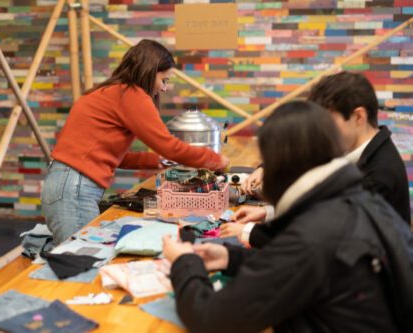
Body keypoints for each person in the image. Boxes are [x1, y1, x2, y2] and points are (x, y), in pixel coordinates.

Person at [163, 100, 412, 333]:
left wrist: (184, 262)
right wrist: (231, 257)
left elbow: (210, 318)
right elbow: (289, 267)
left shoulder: (314, 235)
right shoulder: (358, 201)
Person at [42, 39, 229, 245]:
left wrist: (157, 160)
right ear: (150, 71)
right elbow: (169, 145)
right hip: (73, 189)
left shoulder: (112, 91)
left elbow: (112, 157)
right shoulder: (131, 95)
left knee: (78, 258)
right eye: (164, 80)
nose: (165, 88)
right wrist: (215, 160)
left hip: (65, 185)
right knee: (79, 259)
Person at [221, 71, 410, 242]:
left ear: (358, 117)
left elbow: (324, 234)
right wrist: (268, 212)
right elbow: (320, 209)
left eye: (327, 121)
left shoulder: (380, 175)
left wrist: (250, 232)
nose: (322, 131)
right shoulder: (351, 150)